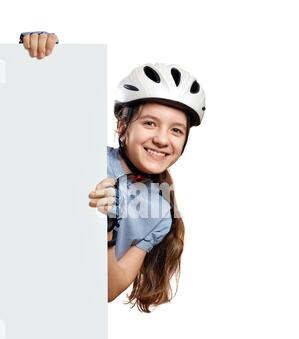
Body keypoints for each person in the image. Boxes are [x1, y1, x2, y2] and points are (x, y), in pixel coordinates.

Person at [19, 33, 206, 313]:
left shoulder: (158, 213)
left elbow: (108, 289)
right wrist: (38, 52)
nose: (163, 139)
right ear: (122, 126)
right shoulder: (85, 151)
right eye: (150, 123)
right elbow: (32, 126)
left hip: (50, 304)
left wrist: (107, 227)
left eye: (176, 130)